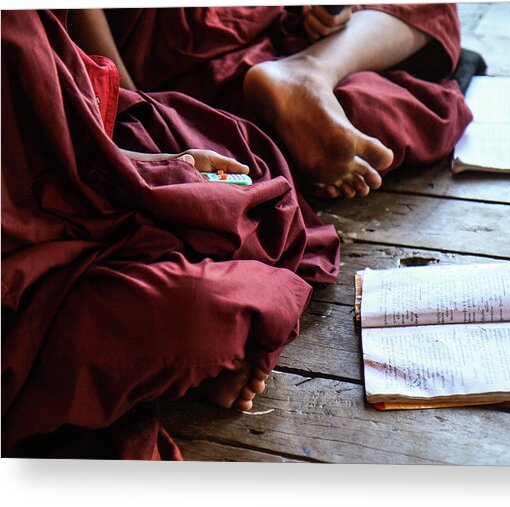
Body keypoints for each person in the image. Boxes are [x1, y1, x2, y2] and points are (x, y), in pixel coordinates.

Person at [1, 9, 339, 459]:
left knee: (247, 169)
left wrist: (159, 161)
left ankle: (311, 72)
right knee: (201, 309)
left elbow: (65, 132)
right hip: (26, 283)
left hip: (93, 171)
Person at [99, 5, 473, 199]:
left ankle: (310, 72)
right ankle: (311, 76)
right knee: (366, 111)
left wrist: (325, 11)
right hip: (173, 46)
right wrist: (136, 106)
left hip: (255, 26)